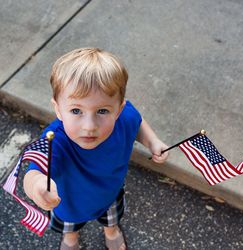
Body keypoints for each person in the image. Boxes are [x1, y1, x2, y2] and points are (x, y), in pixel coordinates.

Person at [23, 48, 169, 250]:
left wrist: (152, 141)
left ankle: (112, 231)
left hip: (109, 193)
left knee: (111, 218)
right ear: (58, 109)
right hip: (68, 202)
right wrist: (37, 186)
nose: (89, 125)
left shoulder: (125, 116)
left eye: (102, 110)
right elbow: (33, 171)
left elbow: (137, 122)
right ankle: (71, 239)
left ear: (118, 109)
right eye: (76, 110)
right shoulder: (54, 139)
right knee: (69, 227)